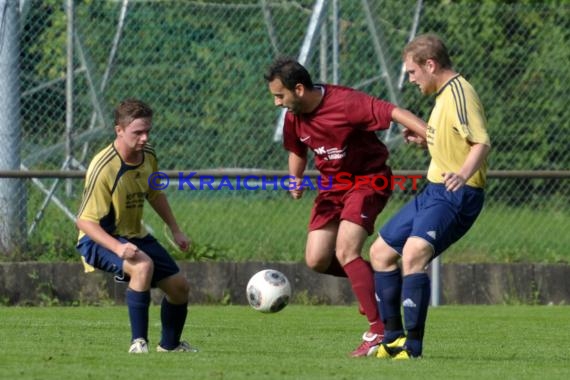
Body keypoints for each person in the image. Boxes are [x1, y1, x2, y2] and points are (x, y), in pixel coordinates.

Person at [264, 58, 427, 357]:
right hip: (331, 187)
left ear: (298, 89)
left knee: (346, 250)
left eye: (280, 95)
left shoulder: (346, 102)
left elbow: (394, 112)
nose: (277, 103)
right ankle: (380, 288)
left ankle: (379, 330)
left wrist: (432, 136)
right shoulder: (294, 116)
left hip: (368, 180)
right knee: (317, 259)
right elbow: (297, 149)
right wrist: (294, 178)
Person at [370, 33, 491, 359]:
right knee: (380, 252)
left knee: (413, 254)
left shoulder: (460, 94)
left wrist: (463, 174)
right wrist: (426, 142)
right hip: (434, 190)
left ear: (430, 64)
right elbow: (454, 141)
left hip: (457, 193)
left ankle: (414, 349)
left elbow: (480, 141)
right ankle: (392, 340)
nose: (410, 79)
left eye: (412, 72)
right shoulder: (443, 97)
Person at [76, 98, 197, 354]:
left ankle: (170, 346)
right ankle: (138, 343)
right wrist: (118, 249)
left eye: (147, 131)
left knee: (179, 288)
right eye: (137, 132)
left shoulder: (148, 154)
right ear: (119, 130)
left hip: (134, 235)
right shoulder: (103, 165)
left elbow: (155, 193)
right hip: (100, 238)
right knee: (142, 266)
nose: (144, 138)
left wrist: (176, 229)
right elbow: (85, 221)